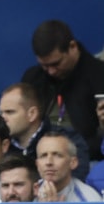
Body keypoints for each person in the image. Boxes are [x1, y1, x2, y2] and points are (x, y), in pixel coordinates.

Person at [21, 20, 104, 160]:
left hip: (87, 158)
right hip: (36, 158)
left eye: (56, 64)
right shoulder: (33, 78)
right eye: (44, 66)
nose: (51, 71)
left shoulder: (100, 75)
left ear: (73, 47)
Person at [0, 82, 89, 180]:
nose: (3, 118)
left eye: (10, 112)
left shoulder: (67, 138)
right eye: (1, 113)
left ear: (32, 114)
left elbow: (76, 177)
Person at [36, 130, 103, 204]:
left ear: (73, 163)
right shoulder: (25, 192)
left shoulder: (88, 202)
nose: (49, 162)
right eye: (43, 155)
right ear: (37, 164)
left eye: (57, 155)